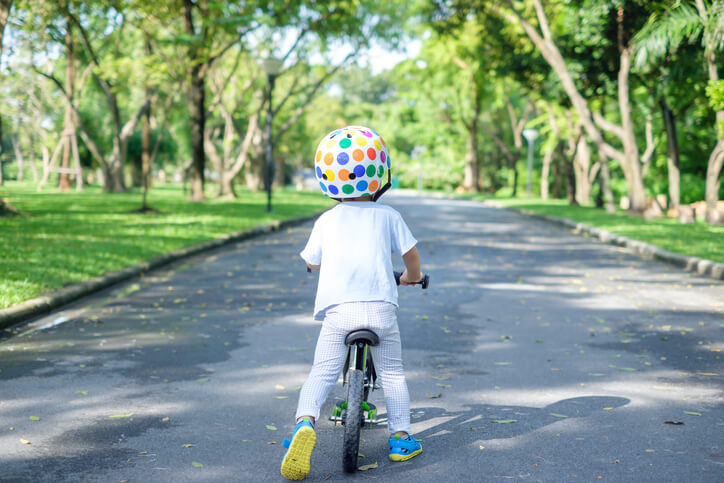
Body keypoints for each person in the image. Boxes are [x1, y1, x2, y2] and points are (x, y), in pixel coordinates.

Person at [280, 126, 424, 480]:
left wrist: (318, 264)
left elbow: (312, 261)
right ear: (380, 175)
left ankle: (303, 424)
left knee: (322, 371)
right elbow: (412, 256)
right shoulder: (389, 216)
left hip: (339, 312)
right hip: (380, 310)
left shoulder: (327, 220)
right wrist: (412, 277)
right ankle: (401, 437)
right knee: (392, 373)